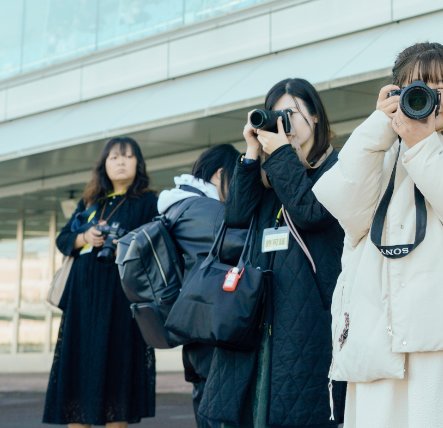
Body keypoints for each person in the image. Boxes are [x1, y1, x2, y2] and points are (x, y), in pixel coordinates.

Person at [313, 42, 443, 428]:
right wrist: (377, 128)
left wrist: (423, 146)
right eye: (416, 88)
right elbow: (344, 207)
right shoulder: (381, 150)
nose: (429, 96)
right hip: (380, 339)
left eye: (440, 86)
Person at [198, 79, 346, 428]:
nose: (284, 122)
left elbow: (310, 213)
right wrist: (252, 153)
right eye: (276, 115)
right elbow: (236, 216)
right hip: (256, 311)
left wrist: (280, 154)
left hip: (307, 312)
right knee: (251, 411)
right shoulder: (270, 172)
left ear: (315, 116)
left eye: (291, 113)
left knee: (297, 411)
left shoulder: (337, 167)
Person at [43, 137, 158, 428]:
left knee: (117, 372)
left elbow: (157, 242)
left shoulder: (148, 201)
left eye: (128, 156)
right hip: (83, 302)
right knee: (79, 370)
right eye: (114, 157)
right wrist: (85, 236)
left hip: (121, 301)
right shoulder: (90, 203)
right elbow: (63, 239)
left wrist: (126, 245)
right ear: (104, 165)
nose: (121, 162)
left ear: (138, 163)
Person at [157, 144, 240, 428]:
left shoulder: (178, 206)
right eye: (236, 177)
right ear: (220, 174)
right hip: (209, 326)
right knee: (217, 409)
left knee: (204, 401)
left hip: (193, 323)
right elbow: (241, 247)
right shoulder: (206, 210)